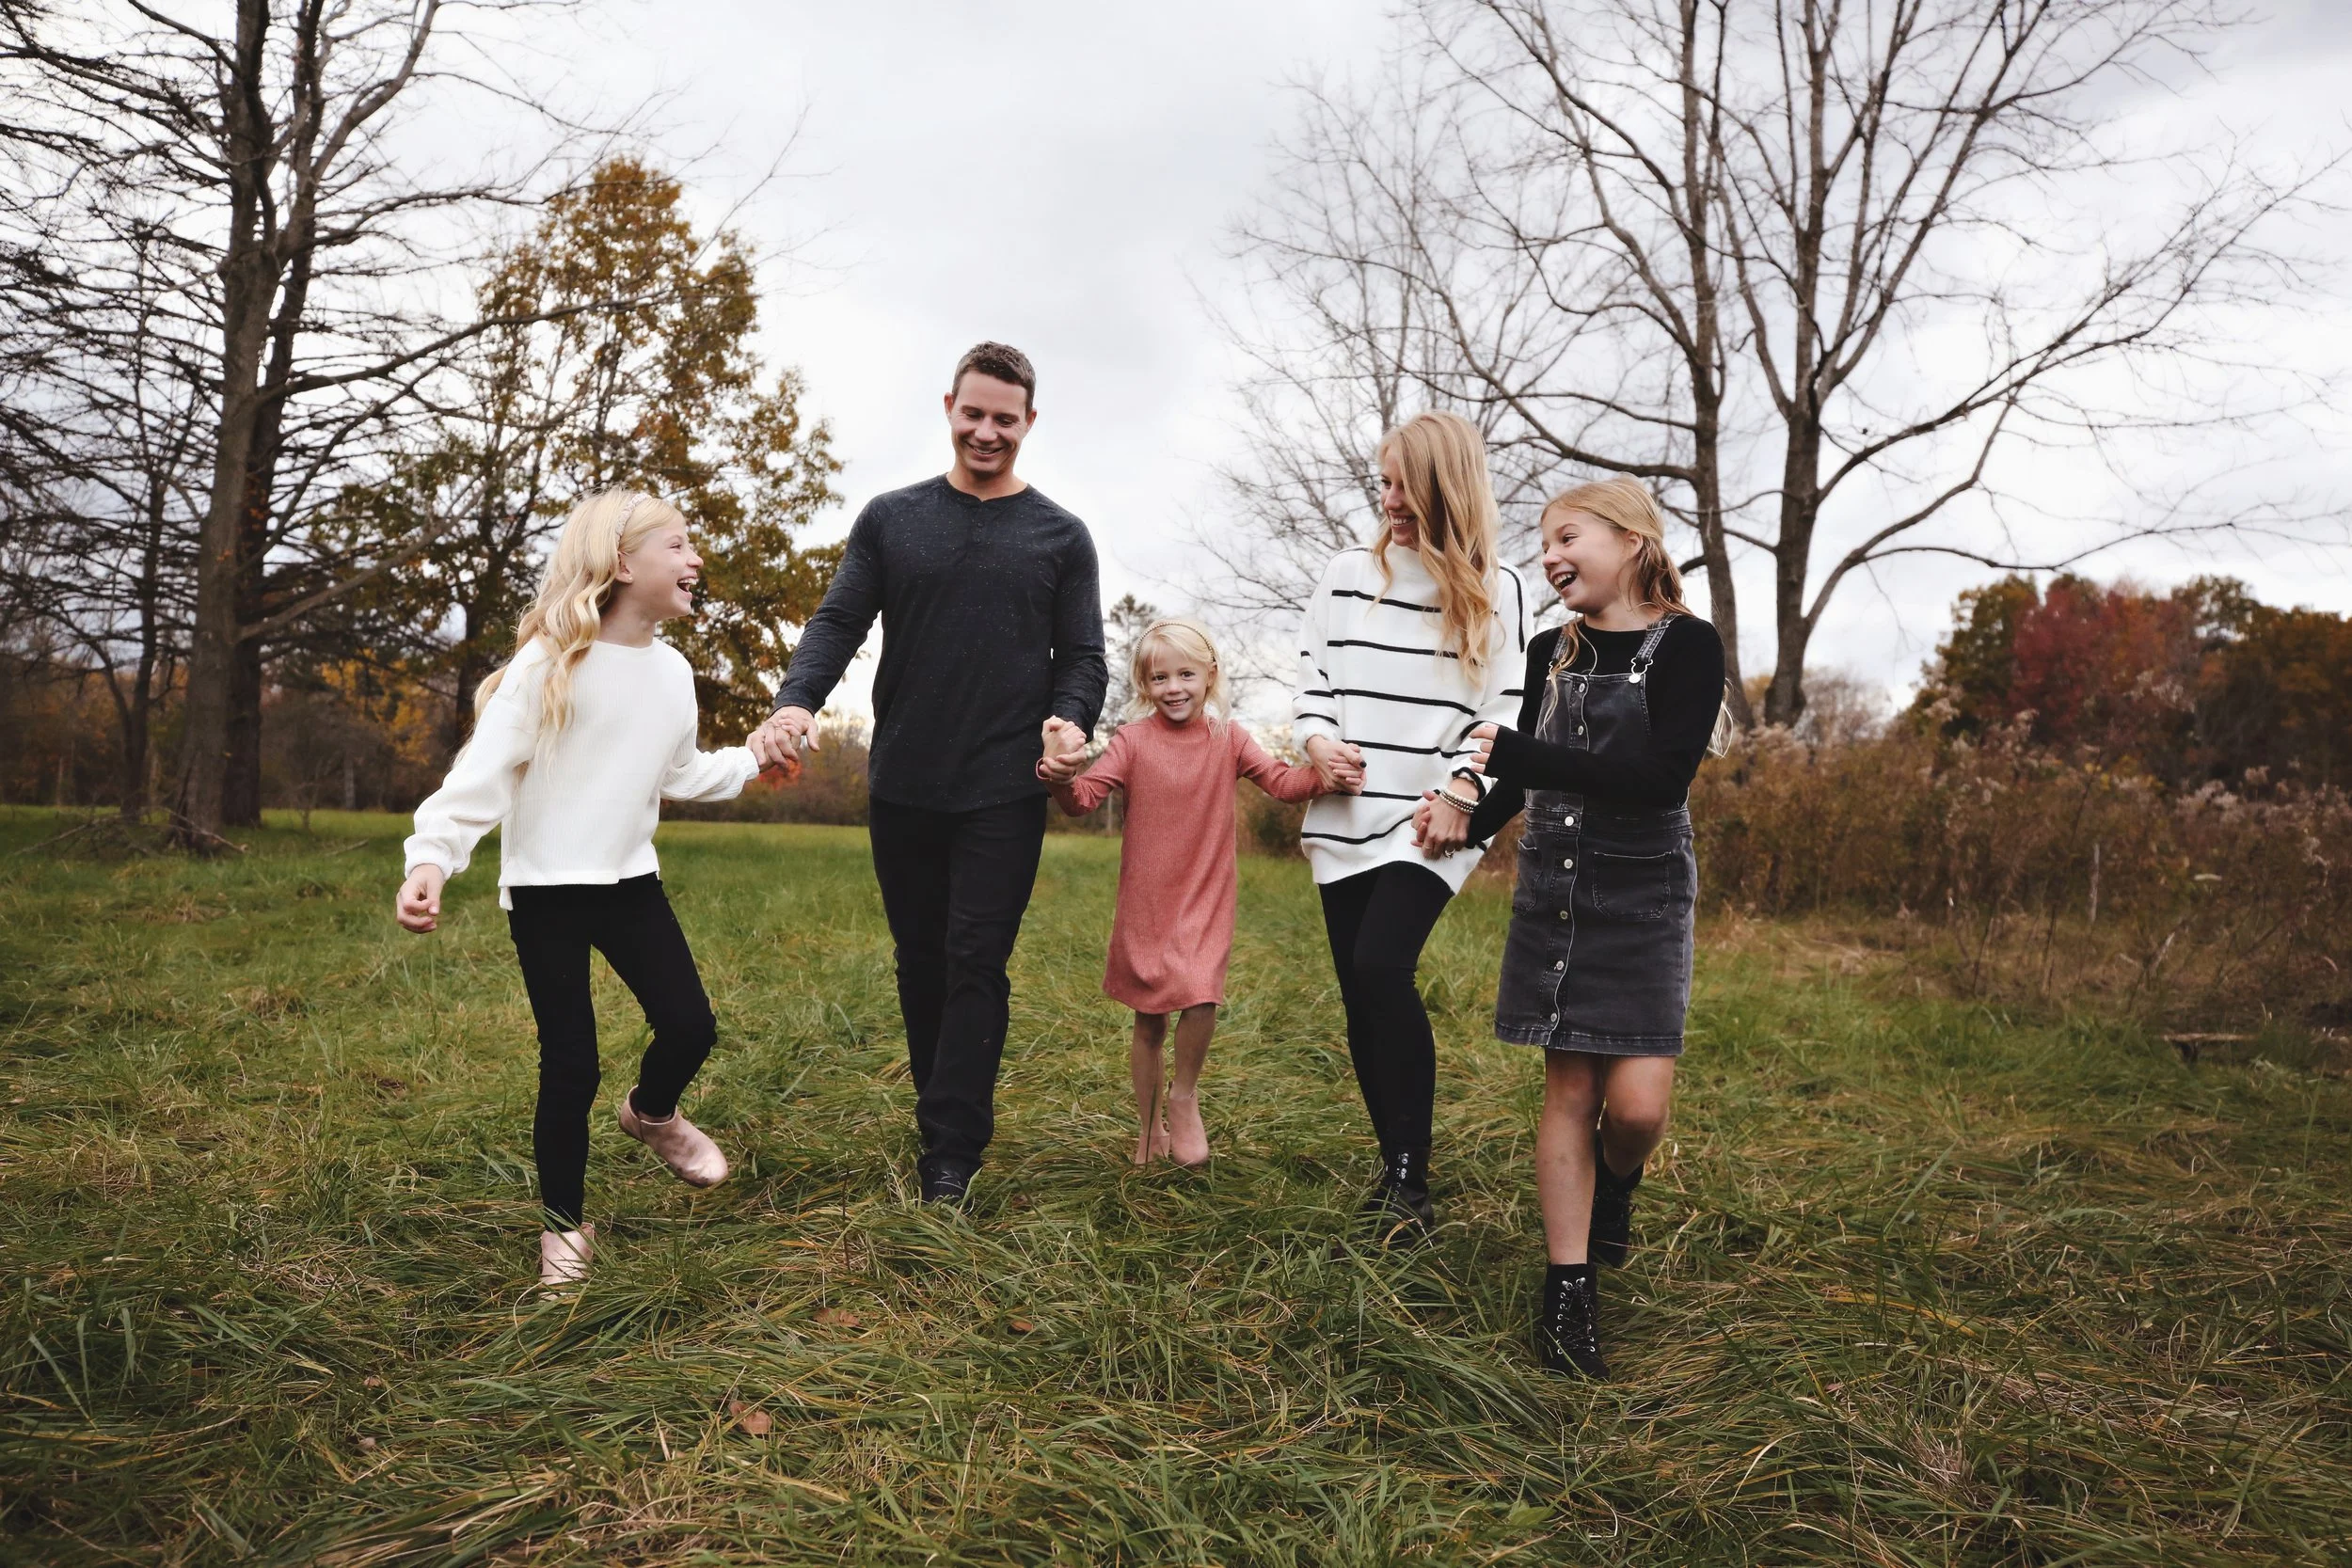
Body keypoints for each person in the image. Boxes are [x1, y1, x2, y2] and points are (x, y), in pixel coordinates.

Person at [747, 342, 1106, 1208]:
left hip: (1005, 786)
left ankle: (952, 1151)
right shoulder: (891, 518)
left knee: (977, 959)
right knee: (922, 961)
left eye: (1005, 420)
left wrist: (1070, 720)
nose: (987, 432)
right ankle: (936, 1108)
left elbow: (1084, 657)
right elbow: (837, 621)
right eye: (974, 414)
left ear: (1029, 422)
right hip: (905, 778)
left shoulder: (1061, 536)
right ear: (949, 406)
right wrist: (797, 702)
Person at [395, 490, 760, 1290]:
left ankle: (653, 1114)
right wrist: (431, 858)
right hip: (548, 893)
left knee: (691, 1025)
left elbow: (684, 771)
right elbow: (480, 774)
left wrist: (756, 756)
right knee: (572, 1065)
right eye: (677, 545)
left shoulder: (672, 671)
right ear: (624, 563)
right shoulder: (550, 662)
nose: (695, 559)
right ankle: (563, 1225)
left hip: (631, 883)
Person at [1457, 475, 1726, 1379]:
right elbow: (1518, 779)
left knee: (1638, 1109)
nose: (1550, 555)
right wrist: (1464, 817)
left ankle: (1618, 1180)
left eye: (1567, 535)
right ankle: (1566, 1292)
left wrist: (1524, 756)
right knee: (1569, 1092)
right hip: (1559, 893)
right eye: (1543, 544)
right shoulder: (1549, 651)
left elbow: (1661, 777)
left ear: (1632, 539)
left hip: (1644, 897)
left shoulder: (1687, 646)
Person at [1292, 410, 1530, 1244]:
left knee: (1380, 961)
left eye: (1404, 485)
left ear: (1444, 488)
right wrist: (1318, 741)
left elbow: (1506, 706)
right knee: (1361, 994)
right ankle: (1393, 1165)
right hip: (1345, 810)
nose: (1389, 499)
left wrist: (1464, 790)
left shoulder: (1500, 586)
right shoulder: (1348, 572)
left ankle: (1410, 1180)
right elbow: (1312, 675)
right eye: (1384, 482)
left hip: (1429, 817)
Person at [1039, 618, 1327, 1166]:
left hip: (1206, 891)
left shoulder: (1229, 738)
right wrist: (1056, 772)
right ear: (1145, 686)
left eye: (1186, 674)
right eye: (1159, 678)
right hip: (1148, 899)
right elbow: (1082, 799)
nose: (1174, 688)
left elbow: (1283, 783)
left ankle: (1184, 1096)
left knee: (1200, 995)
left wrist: (1324, 774)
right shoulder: (1133, 740)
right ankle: (1148, 1126)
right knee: (1150, 1018)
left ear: (1209, 675)